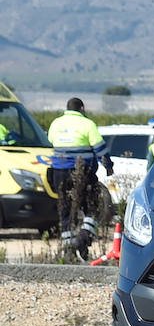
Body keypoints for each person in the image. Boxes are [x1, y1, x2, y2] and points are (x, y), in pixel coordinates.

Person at [47, 97, 113, 260]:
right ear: (82, 108)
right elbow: (99, 148)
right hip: (82, 172)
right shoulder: (87, 124)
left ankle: (69, 250)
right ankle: (83, 238)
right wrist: (108, 166)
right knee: (94, 206)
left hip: (58, 171)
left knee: (65, 209)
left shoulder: (56, 123)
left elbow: (50, 141)